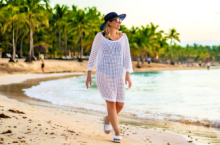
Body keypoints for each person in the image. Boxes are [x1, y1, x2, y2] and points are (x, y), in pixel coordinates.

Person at [86, 12, 133, 143]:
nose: (119, 22)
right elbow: (93, 55)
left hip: (119, 74)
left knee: (121, 104)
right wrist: (89, 73)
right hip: (103, 73)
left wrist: (128, 75)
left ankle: (107, 119)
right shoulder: (99, 37)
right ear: (109, 22)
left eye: (120, 20)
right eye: (117, 20)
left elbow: (127, 56)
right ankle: (117, 133)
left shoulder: (124, 37)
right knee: (111, 102)